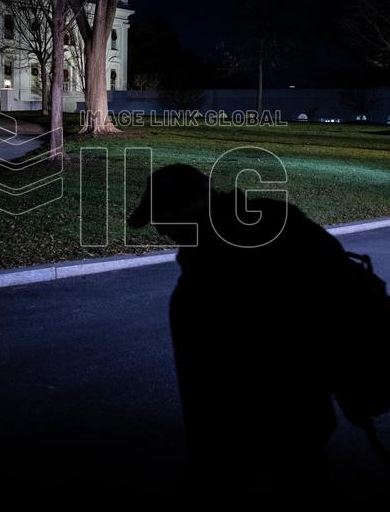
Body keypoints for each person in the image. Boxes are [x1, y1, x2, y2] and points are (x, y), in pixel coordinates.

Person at [127, 163, 353, 499]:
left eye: (162, 217)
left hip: (253, 441)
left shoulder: (218, 266)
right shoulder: (273, 222)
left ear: (187, 209)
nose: (160, 230)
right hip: (302, 425)